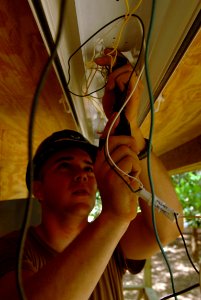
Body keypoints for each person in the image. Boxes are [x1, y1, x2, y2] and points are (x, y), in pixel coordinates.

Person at [0, 50, 183, 300]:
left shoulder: (113, 241)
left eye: (88, 167)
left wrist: (132, 132)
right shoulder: (14, 248)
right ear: (38, 189)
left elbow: (169, 229)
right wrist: (114, 217)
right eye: (65, 165)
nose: (82, 175)